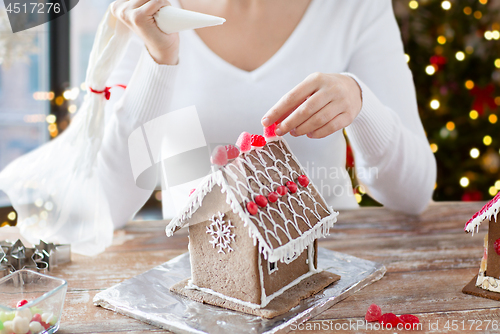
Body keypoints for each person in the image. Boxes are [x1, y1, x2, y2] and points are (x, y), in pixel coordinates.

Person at [99, 0, 437, 228]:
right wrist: (158, 62)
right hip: (194, 269)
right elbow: (108, 205)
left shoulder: (355, 8)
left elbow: (414, 193)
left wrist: (360, 100)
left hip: (331, 262)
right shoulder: (146, 11)